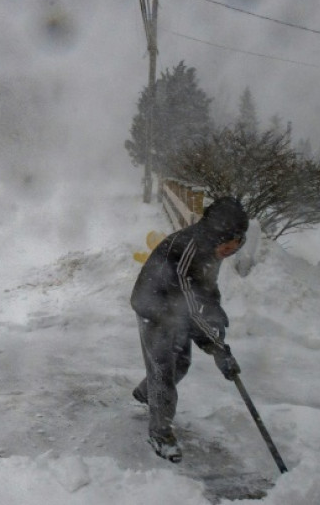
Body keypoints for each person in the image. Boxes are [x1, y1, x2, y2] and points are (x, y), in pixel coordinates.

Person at [130, 196, 248, 463]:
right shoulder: (187, 250)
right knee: (163, 373)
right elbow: (191, 306)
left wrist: (216, 320)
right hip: (153, 308)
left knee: (180, 364)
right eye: (228, 242)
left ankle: (145, 394)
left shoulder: (213, 249)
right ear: (214, 235)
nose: (232, 247)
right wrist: (218, 349)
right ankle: (160, 434)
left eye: (238, 242)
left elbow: (205, 289)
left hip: (175, 309)